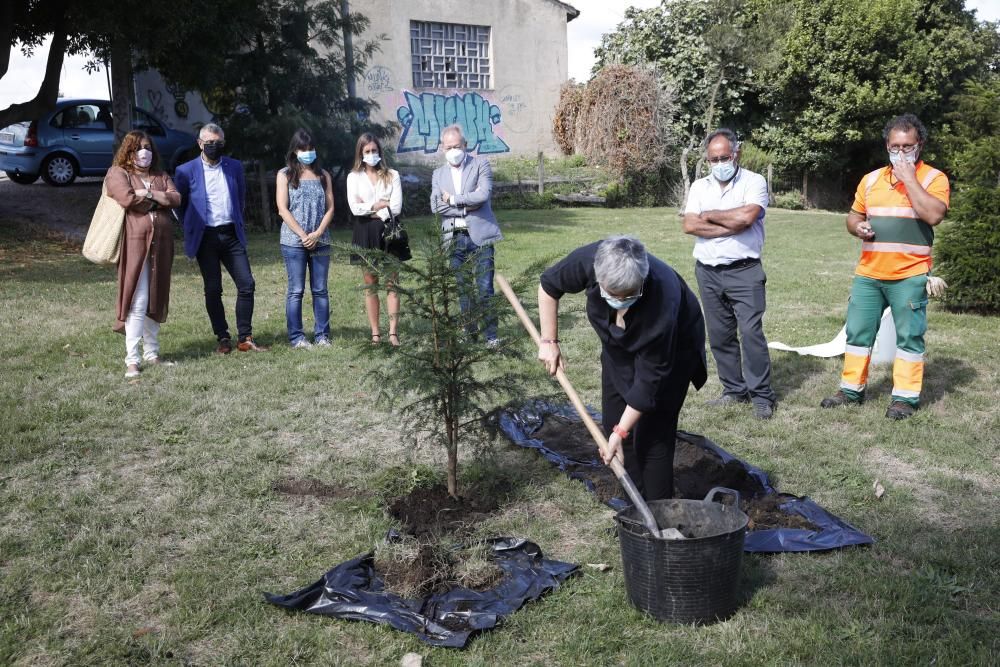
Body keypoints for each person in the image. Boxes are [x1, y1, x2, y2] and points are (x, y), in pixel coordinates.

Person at [537, 236, 707, 501]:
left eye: (629, 295)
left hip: (674, 351)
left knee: (653, 435)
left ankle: (659, 511)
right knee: (614, 422)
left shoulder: (662, 301)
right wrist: (549, 341)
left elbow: (648, 383)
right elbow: (549, 286)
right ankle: (636, 511)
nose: (620, 301)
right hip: (618, 349)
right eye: (612, 295)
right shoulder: (589, 260)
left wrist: (621, 431)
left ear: (642, 281)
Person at [821, 114, 949, 420]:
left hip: (910, 274)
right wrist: (858, 227)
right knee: (858, 333)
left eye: (908, 146)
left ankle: (904, 398)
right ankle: (851, 390)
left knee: (909, 338)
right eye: (895, 146)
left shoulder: (934, 178)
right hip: (868, 273)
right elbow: (852, 217)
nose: (901, 152)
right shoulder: (871, 179)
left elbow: (933, 216)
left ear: (920, 145)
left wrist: (908, 179)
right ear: (886, 145)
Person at [682, 128, 777, 420]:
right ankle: (734, 390)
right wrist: (730, 223)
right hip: (708, 272)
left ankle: (761, 395)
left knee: (750, 334)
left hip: (744, 272)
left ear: (736, 154)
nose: (720, 162)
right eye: (714, 158)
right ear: (707, 159)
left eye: (725, 156)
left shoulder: (754, 181)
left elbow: (747, 217)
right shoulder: (699, 186)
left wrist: (708, 215)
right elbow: (689, 225)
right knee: (720, 335)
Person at [175, 123, 268, 354]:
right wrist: (190, 226)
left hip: (231, 234)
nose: (214, 147)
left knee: (247, 284)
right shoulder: (185, 171)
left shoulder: (234, 167)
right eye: (209, 143)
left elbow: (240, 197)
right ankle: (223, 337)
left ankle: (245, 337)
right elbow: (179, 204)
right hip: (205, 237)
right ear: (200, 144)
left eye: (218, 143)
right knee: (213, 288)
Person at [106, 130, 181, 378]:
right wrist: (160, 200)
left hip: (160, 246)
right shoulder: (118, 173)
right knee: (137, 301)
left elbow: (176, 198)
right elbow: (126, 199)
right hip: (134, 246)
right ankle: (132, 360)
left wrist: (147, 194)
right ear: (128, 151)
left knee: (156, 297)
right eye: (138, 147)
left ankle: (152, 353)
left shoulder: (160, 175)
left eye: (147, 147)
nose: (144, 152)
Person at [431, 124, 502, 346]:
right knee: (463, 290)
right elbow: (435, 205)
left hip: (480, 236)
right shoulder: (438, 174)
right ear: (443, 148)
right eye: (449, 147)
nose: (454, 150)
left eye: (457, 146)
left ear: (465, 146)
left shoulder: (481, 164)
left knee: (485, 288)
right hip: (453, 238)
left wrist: (452, 199)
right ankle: (470, 335)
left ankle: (491, 336)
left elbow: (482, 195)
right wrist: (464, 207)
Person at [276, 128, 334, 349]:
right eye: (303, 149)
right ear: (295, 150)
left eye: (311, 149)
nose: (307, 152)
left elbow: (330, 208)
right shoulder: (285, 175)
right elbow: (282, 208)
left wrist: (318, 233)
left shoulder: (323, 175)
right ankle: (296, 337)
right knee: (296, 290)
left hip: (321, 240)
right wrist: (302, 235)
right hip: (293, 242)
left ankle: (322, 335)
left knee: (320, 289)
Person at [347, 133, 404, 345]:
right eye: (367, 151)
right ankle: (375, 333)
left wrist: (370, 208)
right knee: (371, 283)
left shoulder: (392, 175)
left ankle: (393, 333)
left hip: (389, 231)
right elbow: (354, 208)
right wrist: (377, 204)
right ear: (361, 154)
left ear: (380, 152)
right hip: (365, 232)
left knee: (392, 282)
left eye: (374, 151)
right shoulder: (353, 177)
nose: (372, 154)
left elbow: (395, 207)